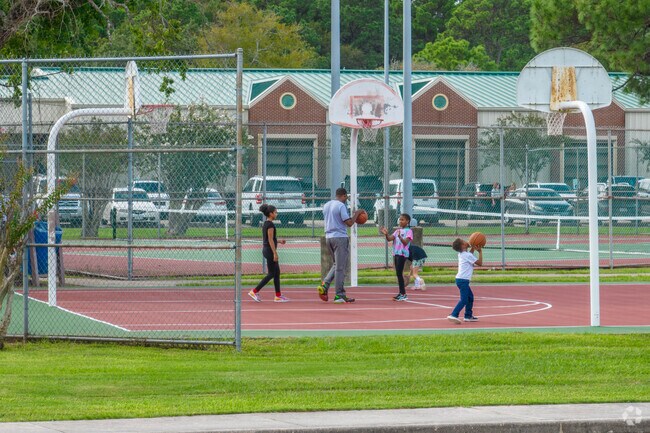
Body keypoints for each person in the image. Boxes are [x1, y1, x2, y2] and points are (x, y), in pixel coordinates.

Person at [317, 187, 364, 303]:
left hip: (329, 238)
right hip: (340, 238)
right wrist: (357, 214)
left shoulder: (327, 205)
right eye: (346, 197)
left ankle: (325, 285)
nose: (346, 199)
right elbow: (349, 223)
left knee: (336, 264)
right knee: (340, 268)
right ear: (343, 195)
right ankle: (339, 294)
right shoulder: (340, 206)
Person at [248, 204, 288, 303]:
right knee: (271, 274)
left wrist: (279, 241)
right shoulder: (270, 225)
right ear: (270, 214)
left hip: (267, 249)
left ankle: (278, 296)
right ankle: (254, 291)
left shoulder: (266, 223)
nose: (276, 214)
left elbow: (271, 239)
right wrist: (275, 253)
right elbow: (270, 240)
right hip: (269, 251)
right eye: (275, 212)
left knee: (276, 273)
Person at [447, 237, 483, 324]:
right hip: (463, 280)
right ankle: (453, 314)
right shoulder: (467, 255)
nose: (467, 242)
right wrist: (480, 252)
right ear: (463, 246)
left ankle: (468, 316)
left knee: (470, 297)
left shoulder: (462, 254)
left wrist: (473, 248)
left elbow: (469, 255)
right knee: (464, 299)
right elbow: (480, 263)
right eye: (464, 242)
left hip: (460, 279)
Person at [380, 213, 413, 301]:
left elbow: (405, 242)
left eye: (402, 220)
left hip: (403, 254)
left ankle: (403, 294)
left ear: (407, 221)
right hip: (396, 253)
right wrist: (386, 234)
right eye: (400, 219)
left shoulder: (409, 231)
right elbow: (390, 239)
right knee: (398, 273)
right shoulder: (397, 230)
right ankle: (401, 293)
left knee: (399, 273)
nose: (400, 221)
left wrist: (400, 237)